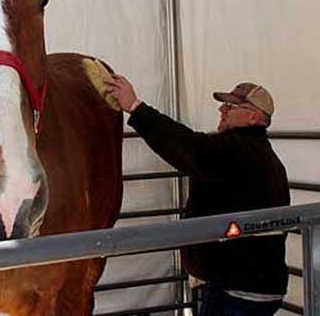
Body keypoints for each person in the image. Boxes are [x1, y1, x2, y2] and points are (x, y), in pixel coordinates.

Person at [105, 77, 290, 316]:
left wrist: (136, 108)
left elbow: (188, 147)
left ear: (253, 116)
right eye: (224, 104)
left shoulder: (237, 151)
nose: (222, 109)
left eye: (231, 107)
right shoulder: (265, 157)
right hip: (255, 284)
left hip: (238, 289)